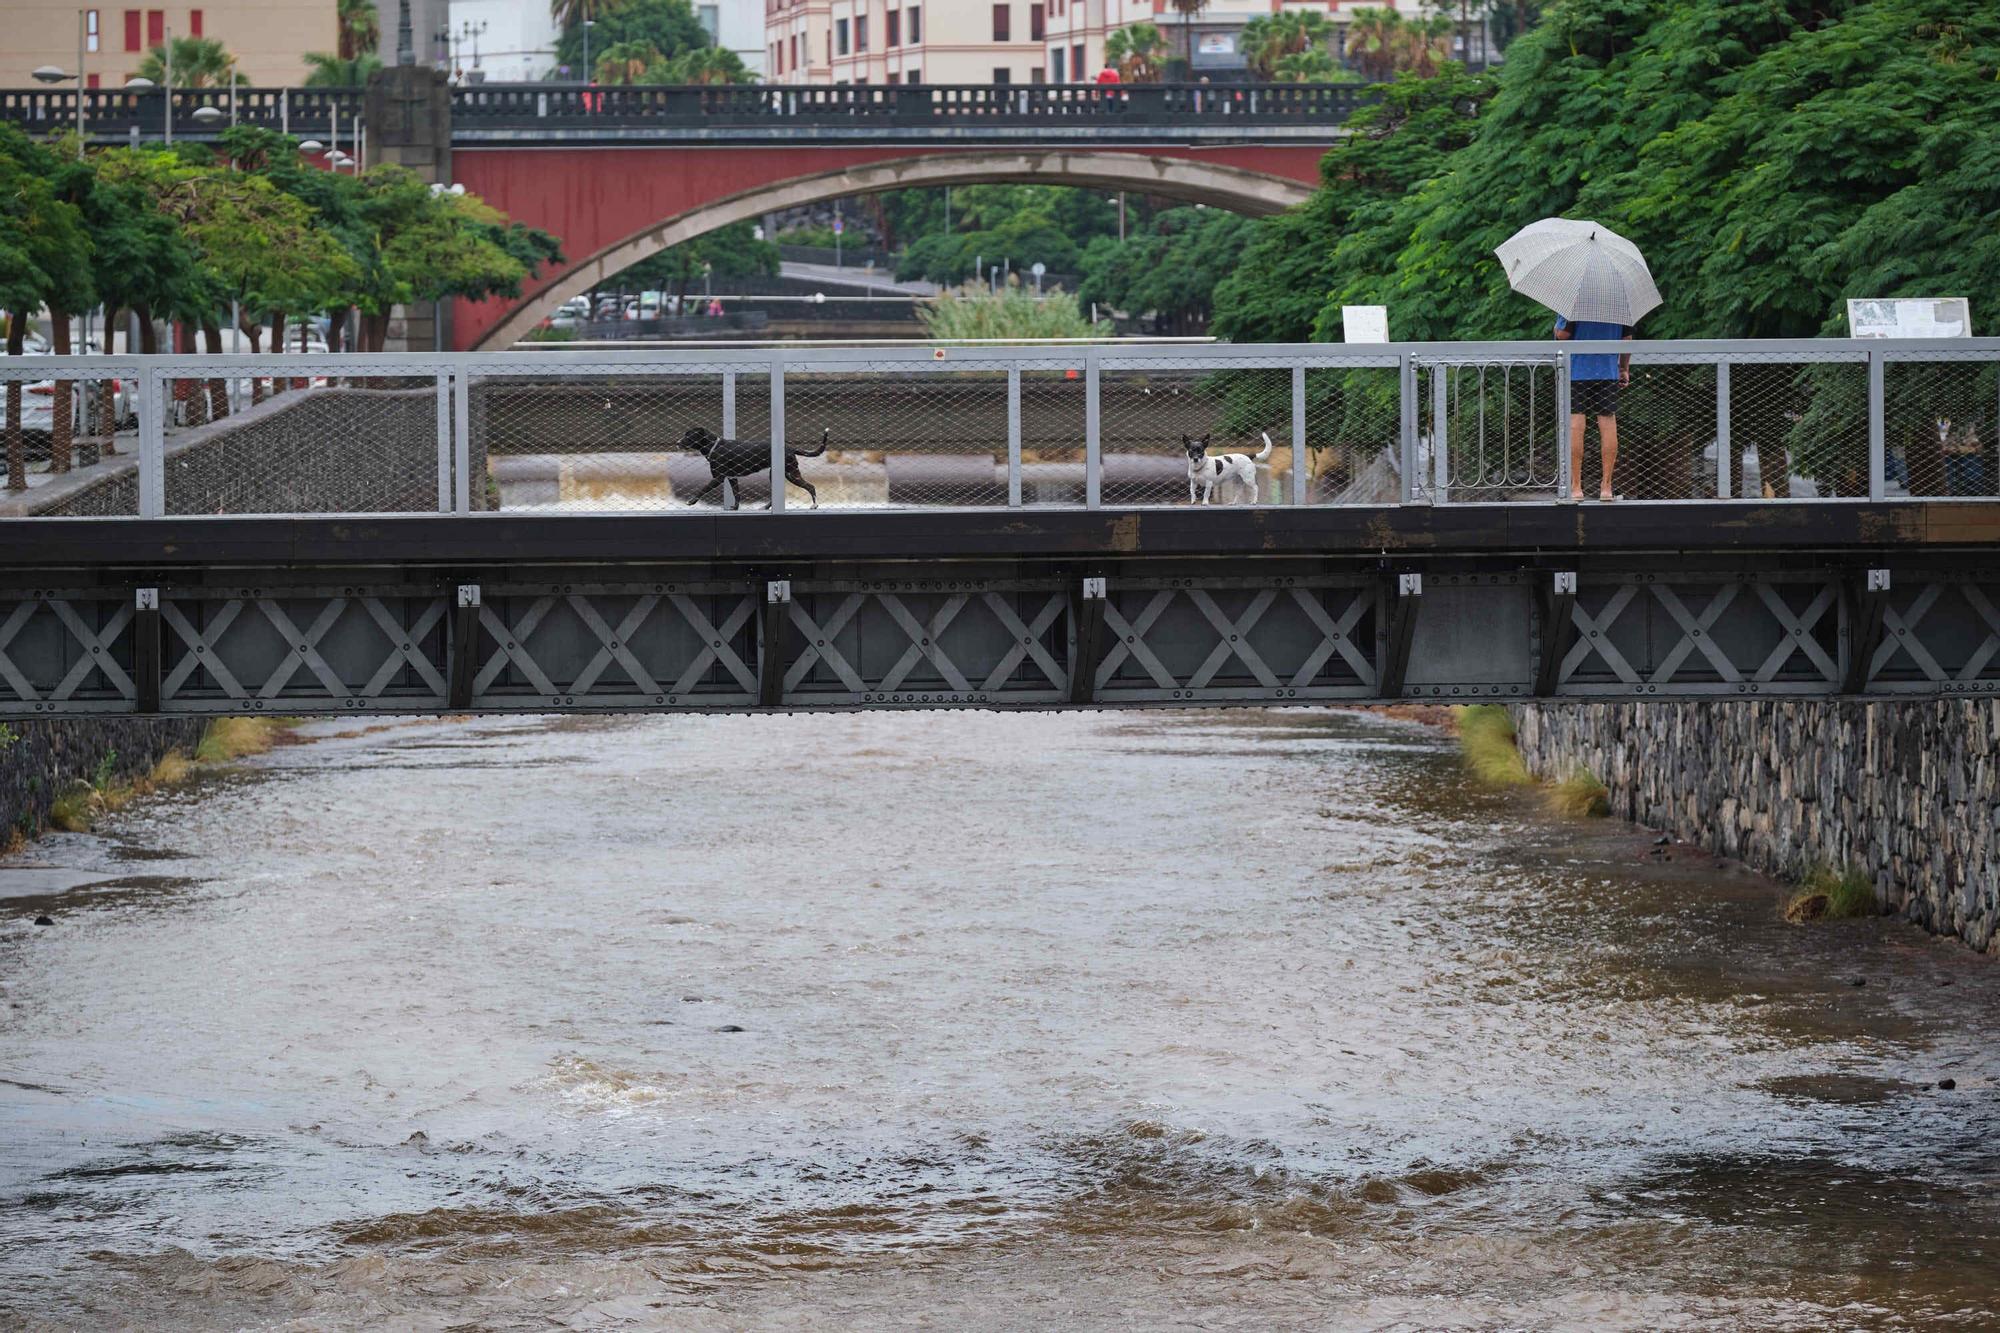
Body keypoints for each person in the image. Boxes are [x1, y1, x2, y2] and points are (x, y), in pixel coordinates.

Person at [1554, 313, 1632, 501]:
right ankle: (1606, 487)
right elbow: (1627, 339)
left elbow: (1563, 335)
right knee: (1608, 424)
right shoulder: (1619, 304)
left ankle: (1576, 487)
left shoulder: (1575, 302)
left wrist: (1556, 328)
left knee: (1576, 424)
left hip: (1577, 371)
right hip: (1608, 372)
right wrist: (1623, 368)